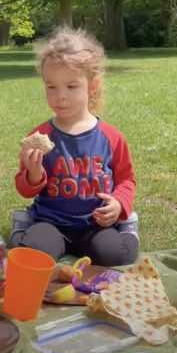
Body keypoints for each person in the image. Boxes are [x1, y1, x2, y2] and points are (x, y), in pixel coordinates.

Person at [11, 27, 139, 267]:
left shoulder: (111, 137)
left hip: (95, 225)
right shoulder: (40, 136)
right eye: (51, 87)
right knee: (31, 258)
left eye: (71, 87)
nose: (60, 96)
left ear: (92, 85)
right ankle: (24, 225)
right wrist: (34, 174)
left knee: (116, 256)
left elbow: (126, 180)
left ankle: (128, 227)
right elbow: (25, 188)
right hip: (51, 222)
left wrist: (119, 204)